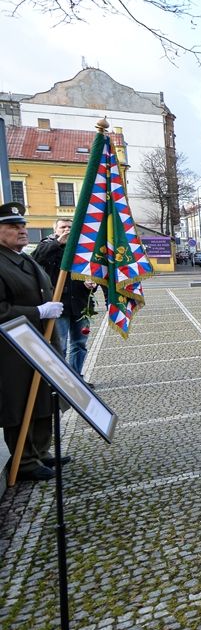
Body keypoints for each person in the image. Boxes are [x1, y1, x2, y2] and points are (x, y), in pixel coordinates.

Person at [0, 202, 65, 482]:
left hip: (39, 341)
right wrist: (37, 312)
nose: (21, 230)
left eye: (22, 225)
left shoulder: (23, 258)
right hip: (13, 348)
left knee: (42, 397)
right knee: (19, 401)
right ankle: (24, 461)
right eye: (13, 226)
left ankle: (40, 450)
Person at [32, 218, 98, 384]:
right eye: (63, 227)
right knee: (59, 345)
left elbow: (90, 271)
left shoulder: (81, 248)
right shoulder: (47, 245)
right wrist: (58, 243)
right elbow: (36, 258)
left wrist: (91, 284)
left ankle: (76, 379)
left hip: (81, 304)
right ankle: (60, 381)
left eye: (70, 227)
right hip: (58, 305)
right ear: (55, 230)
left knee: (79, 344)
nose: (67, 230)